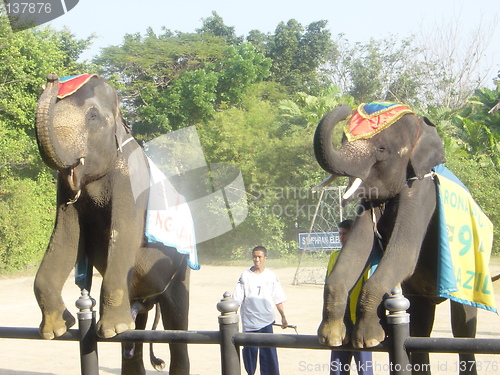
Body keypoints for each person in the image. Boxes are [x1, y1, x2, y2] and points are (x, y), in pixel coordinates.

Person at [326, 220, 373, 375]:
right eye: (339, 234)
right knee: (338, 368)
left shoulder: (366, 258)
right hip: (338, 321)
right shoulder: (334, 256)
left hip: (358, 320)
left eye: (344, 234)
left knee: (364, 368)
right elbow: (329, 288)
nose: (341, 237)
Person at [233, 245, 288, 375]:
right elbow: (237, 300)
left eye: (259, 257)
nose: (256, 259)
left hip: (267, 322)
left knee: (269, 357)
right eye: (254, 256)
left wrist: (283, 317)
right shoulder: (245, 276)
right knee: (250, 357)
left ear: (265, 258)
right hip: (250, 323)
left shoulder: (271, 276)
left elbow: (278, 298)